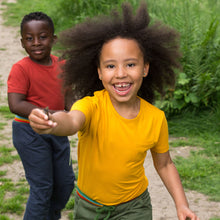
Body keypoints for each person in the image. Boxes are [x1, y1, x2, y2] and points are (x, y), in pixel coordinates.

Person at [28, 2, 200, 220]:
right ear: (99, 72)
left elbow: (164, 164)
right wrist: (50, 120)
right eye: (110, 66)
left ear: (145, 68)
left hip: (134, 208)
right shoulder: (91, 105)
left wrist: (182, 204)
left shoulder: (156, 118)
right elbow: (70, 122)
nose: (120, 74)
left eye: (130, 64)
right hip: (89, 208)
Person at [7, 12, 75, 220]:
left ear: (53, 39)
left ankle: (49, 216)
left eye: (43, 37)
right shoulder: (21, 69)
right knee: (42, 187)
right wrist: (52, 114)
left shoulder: (63, 66)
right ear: (22, 42)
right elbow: (15, 104)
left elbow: (70, 103)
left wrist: (77, 115)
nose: (36, 43)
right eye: (29, 38)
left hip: (57, 131)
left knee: (65, 183)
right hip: (29, 132)